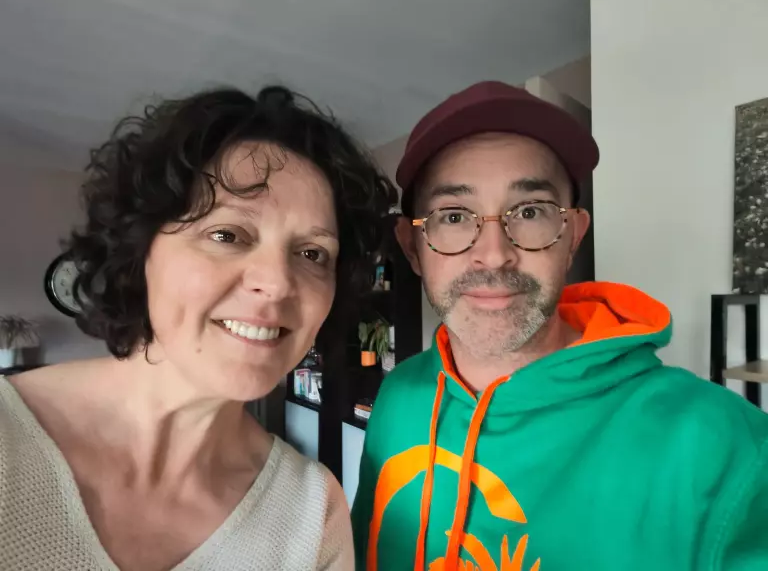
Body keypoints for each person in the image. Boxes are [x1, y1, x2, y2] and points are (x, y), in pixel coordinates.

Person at [351, 81, 768, 570]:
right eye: (455, 215)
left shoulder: (726, 449)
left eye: (530, 212)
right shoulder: (399, 394)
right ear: (411, 247)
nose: (494, 254)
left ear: (572, 236)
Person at [0, 85, 395, 570]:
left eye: (312, 253)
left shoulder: (311, 511)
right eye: (227, 234)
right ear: (140, 252)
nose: (277, 284)